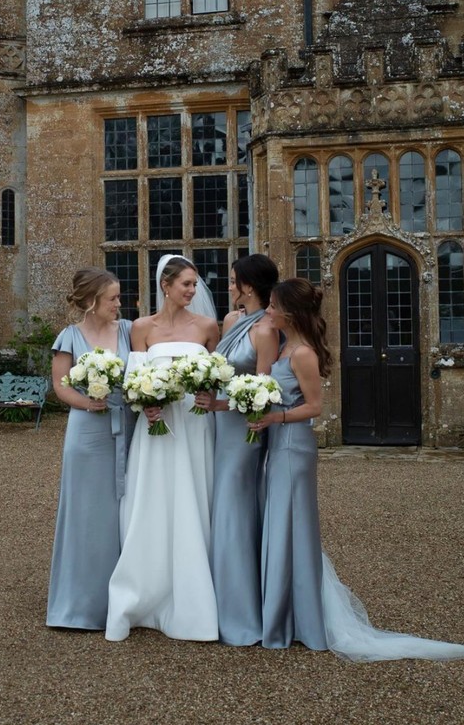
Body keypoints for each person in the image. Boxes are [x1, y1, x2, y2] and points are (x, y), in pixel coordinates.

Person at [248, 277, 464, 661]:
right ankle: (287, 612)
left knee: (291, 526)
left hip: (292, 446)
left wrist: (276, 417)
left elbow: (315, 408)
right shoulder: (286, 347)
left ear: (289, 312)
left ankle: (294, 618)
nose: (267, 312)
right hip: (280, 444)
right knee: (283, 525)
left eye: (272, 306)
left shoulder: (302, 353)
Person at [105, 255, 220, 642]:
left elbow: (217, 378)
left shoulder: (207, 327)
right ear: (165, 285)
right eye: (186, 284)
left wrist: (209, 395)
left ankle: (193, 597)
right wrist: (145, 402)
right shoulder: (142, 328)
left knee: (193, 498)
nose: (193, 290)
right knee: (152, 502)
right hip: (157, 427)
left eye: (195, 284)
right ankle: (144, 593)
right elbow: (134, 381)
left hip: (194, 427)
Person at [194, 254, 279, 645]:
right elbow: (217, 368)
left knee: (234, 505)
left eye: (233, 281)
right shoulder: (229, 321)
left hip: (245, 430)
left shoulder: (266, 329)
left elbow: (263, 393)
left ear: (249, 285)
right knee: (216, 502)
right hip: (216, 425)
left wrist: (223, 404)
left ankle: (240, 611)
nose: (228, 286)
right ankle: (210, 601)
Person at [47, 267, 134, 630]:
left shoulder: (129, 330)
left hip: (126, 427)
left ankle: (124, 601)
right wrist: (88, 403)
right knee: (86, 515)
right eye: (113, 298)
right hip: (87, 434)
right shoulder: (69, 337)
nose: (119, 304)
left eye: (118, 297)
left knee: (126, 511)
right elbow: (61, 386)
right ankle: (79, 606)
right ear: (92, 301)